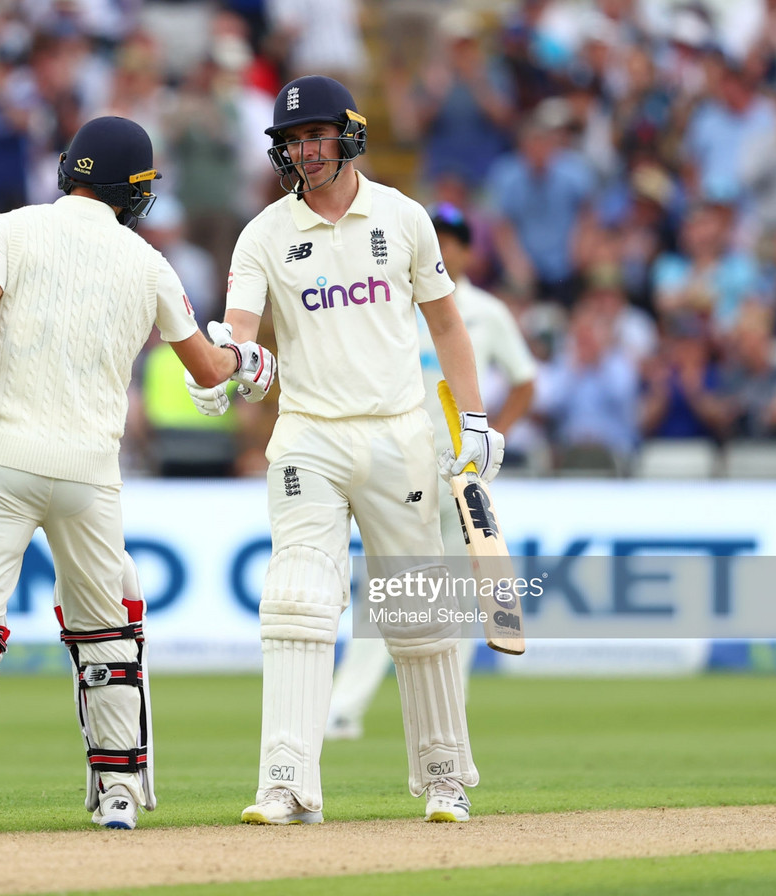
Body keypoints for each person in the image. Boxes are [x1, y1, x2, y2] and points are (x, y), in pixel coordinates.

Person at [0, 116, 275, 831]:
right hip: (90, 470)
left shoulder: (13, 227)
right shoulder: (151, 264)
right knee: (107, 628)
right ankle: (119, 792)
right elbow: (211, 371)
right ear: (135, 190)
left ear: (71, 169)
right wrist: (250, 363)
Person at [185, 76, 503, 824]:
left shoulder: (404, 216)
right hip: (309, 435)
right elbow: (242, 329)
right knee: (297, 598)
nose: (304, 151)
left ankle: (442, 777)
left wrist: (476, 421)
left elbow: (449, 327)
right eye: (292, 141)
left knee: (418, 611)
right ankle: (287, 781)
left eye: (315, 136)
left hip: (399, 433)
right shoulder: (264, 232)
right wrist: (225, 367)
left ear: (349, 135)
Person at [325, 202, 537, 741]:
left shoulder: (487, 311)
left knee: (460, 598)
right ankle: (344, 707)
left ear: (468, 250)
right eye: (435, 238)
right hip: (402, 467)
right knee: (390, 590)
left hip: (462, 474)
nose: (442, 248)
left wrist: (489, 437)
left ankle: (451, 712)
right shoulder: (393, 300)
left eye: (452, 240)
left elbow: (524, 379)